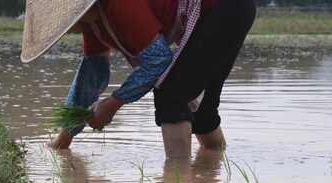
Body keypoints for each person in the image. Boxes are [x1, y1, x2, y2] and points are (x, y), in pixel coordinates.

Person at [21, 0, 256, 159]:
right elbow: (92, 75)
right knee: (201, 112)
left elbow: (158, 61)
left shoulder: (118, 4)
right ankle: (213, 176)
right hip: (231, 10)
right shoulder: (94, 23)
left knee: (171, 95)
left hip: (223, 7)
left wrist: (111, 105)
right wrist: (63, 140)